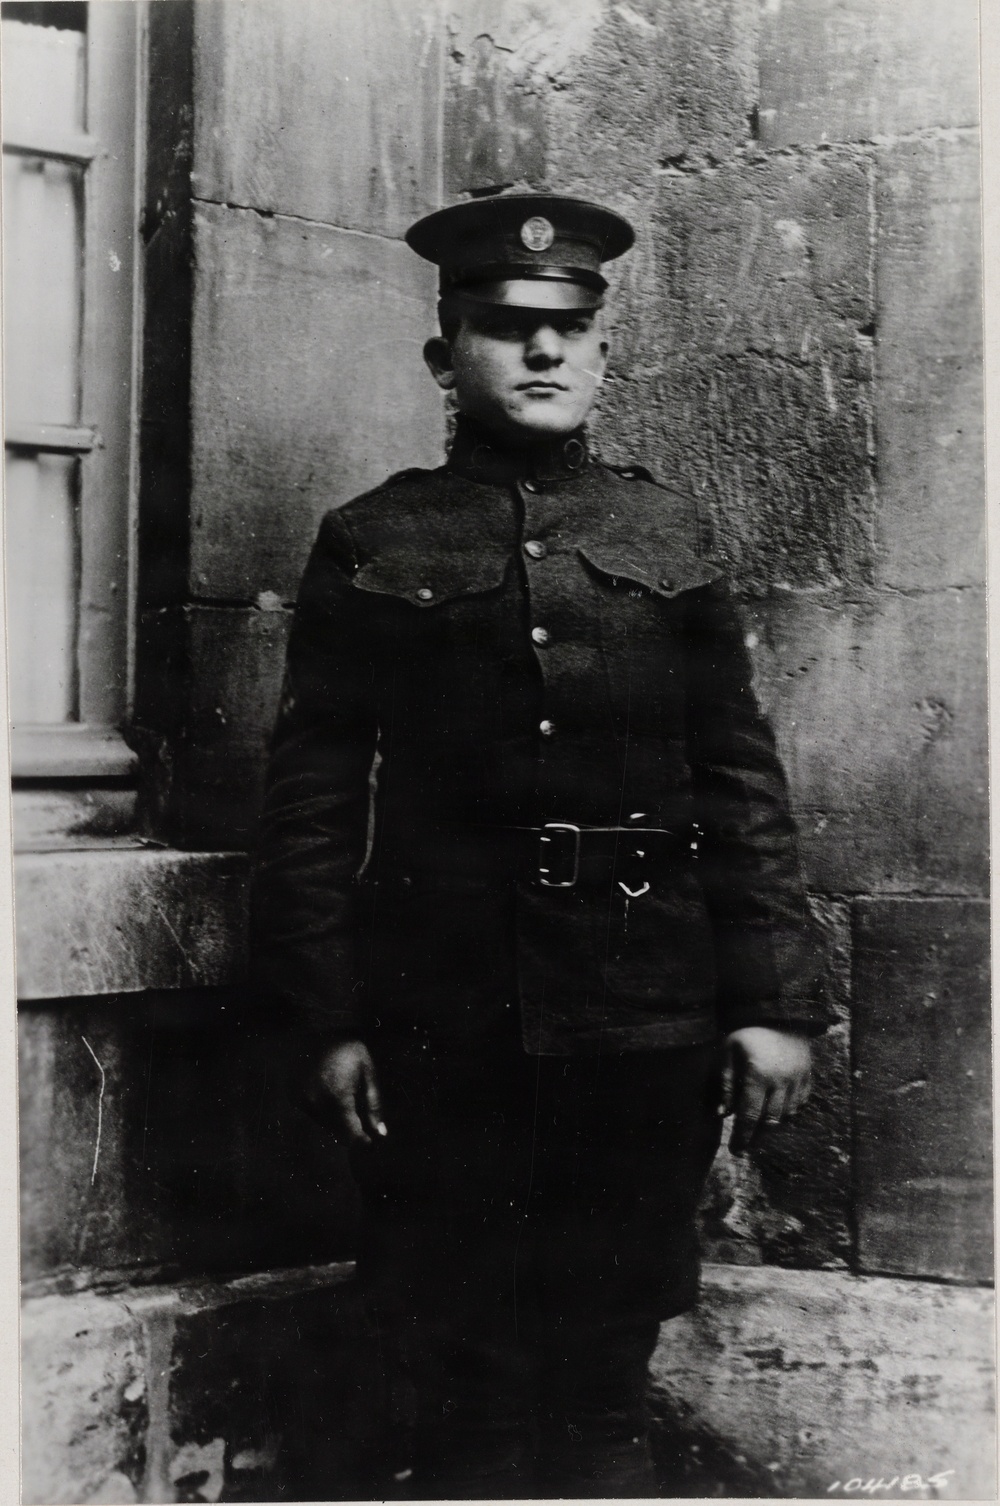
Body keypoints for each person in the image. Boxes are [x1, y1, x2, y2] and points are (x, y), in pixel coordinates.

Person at [251, 189, 827, 1499]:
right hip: (445, 1011)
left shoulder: (668, 532)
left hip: (648, 1002)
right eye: (509, 328)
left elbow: (740, 780)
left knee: (609, 1367)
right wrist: (323, 1017)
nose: (546, 351)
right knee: (464, 1370)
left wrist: (777, 1002)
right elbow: (312, 798)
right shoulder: (375, 539)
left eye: (572, 328)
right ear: (446, 352)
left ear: (605, 350)